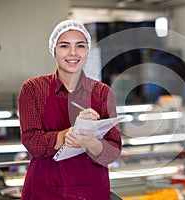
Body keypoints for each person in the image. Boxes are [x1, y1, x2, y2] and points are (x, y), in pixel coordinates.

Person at [18, 20, 122, 200]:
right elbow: (31, 142)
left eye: (80, 46)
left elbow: (112, 151)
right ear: (54, 50)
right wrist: (67, 135)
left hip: (91, 190)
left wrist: (90, 142)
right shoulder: (33, 89)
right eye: (65, 46)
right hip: (45, 189)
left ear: (87, 50)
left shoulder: (102, 93)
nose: (73, 53)